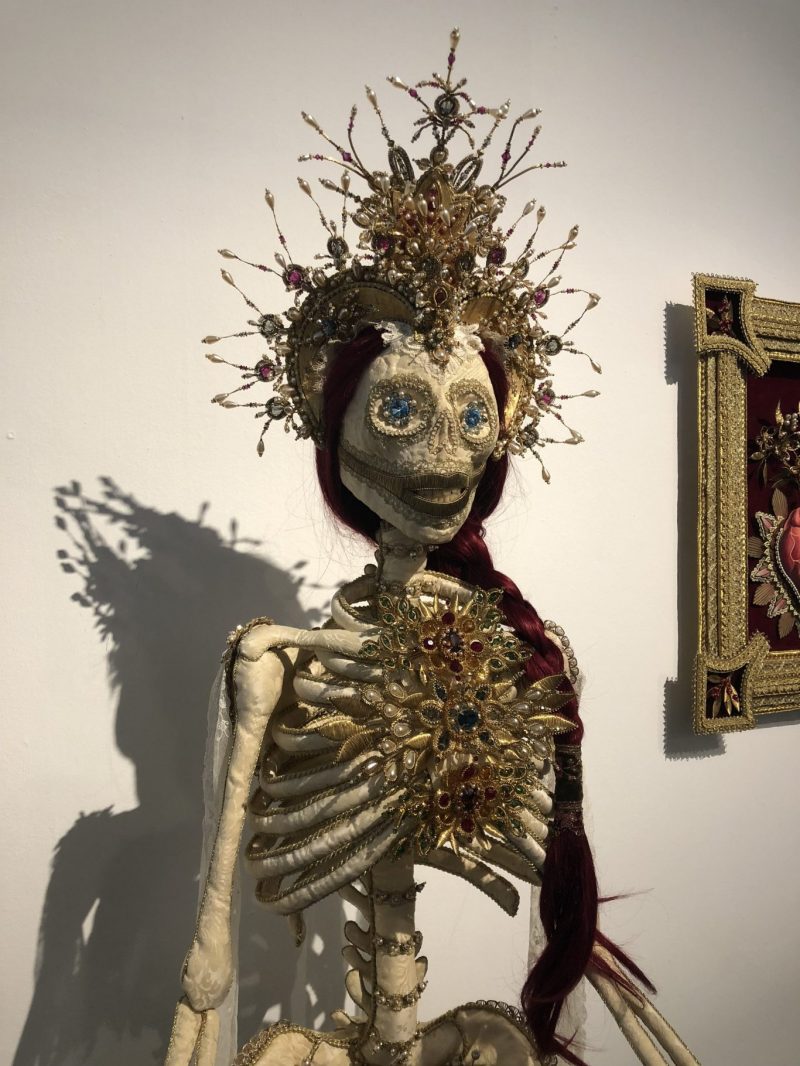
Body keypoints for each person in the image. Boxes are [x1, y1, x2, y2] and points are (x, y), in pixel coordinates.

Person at [165, 29, 699, 1066]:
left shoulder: (530, 652)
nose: (444, 459)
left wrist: (581, 953)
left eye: (471, 416)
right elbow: (220, 908)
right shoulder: (276, 664)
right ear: (339, 423)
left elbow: (557, 872)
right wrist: (207, 952)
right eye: (402, 410)